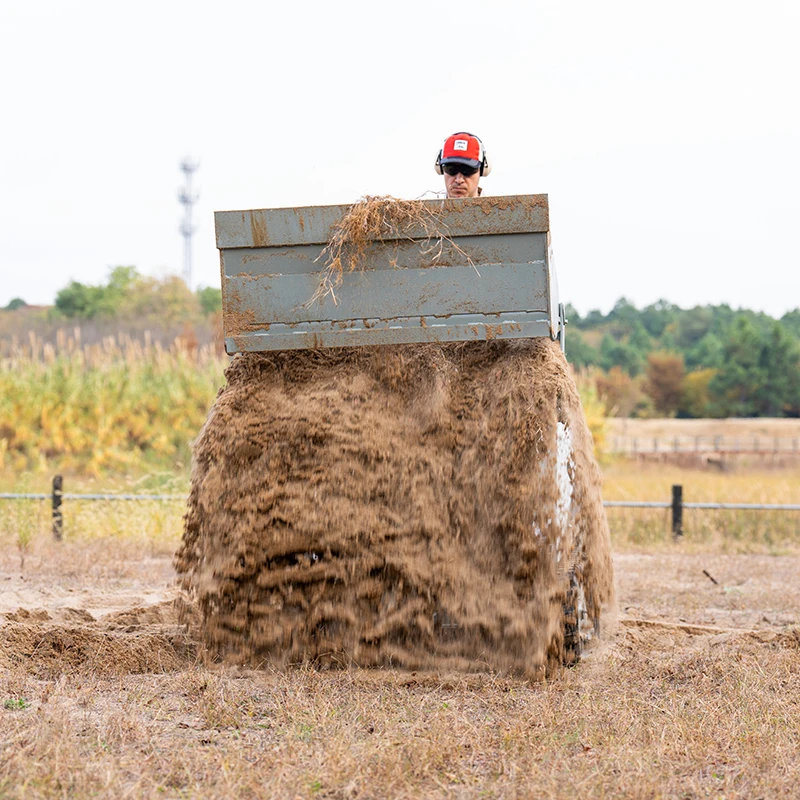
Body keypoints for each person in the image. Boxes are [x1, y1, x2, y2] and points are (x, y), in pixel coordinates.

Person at [434, 132, 492, 198]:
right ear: (440, 169)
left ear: (482, 170)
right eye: (451, 169)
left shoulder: (499, 208)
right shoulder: (425, 208)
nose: (459, 180)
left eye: (467, 170)